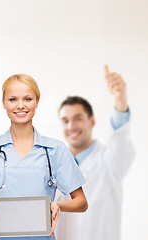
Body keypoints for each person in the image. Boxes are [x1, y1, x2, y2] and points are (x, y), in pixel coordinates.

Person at [0, 73, 88, 240]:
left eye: (27, 99)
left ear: (37, 101)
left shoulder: (56, 150)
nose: (20, 105)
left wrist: (58, 205)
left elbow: (81, 202)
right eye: (13, 100)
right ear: (4, 103)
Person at [55, 65, 136, 240]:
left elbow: (119, 139)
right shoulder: (54, 166)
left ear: (91, 121)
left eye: (78, 118)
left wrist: (120, 100)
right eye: (65, 120)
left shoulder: (110, 160)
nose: (71, 126)